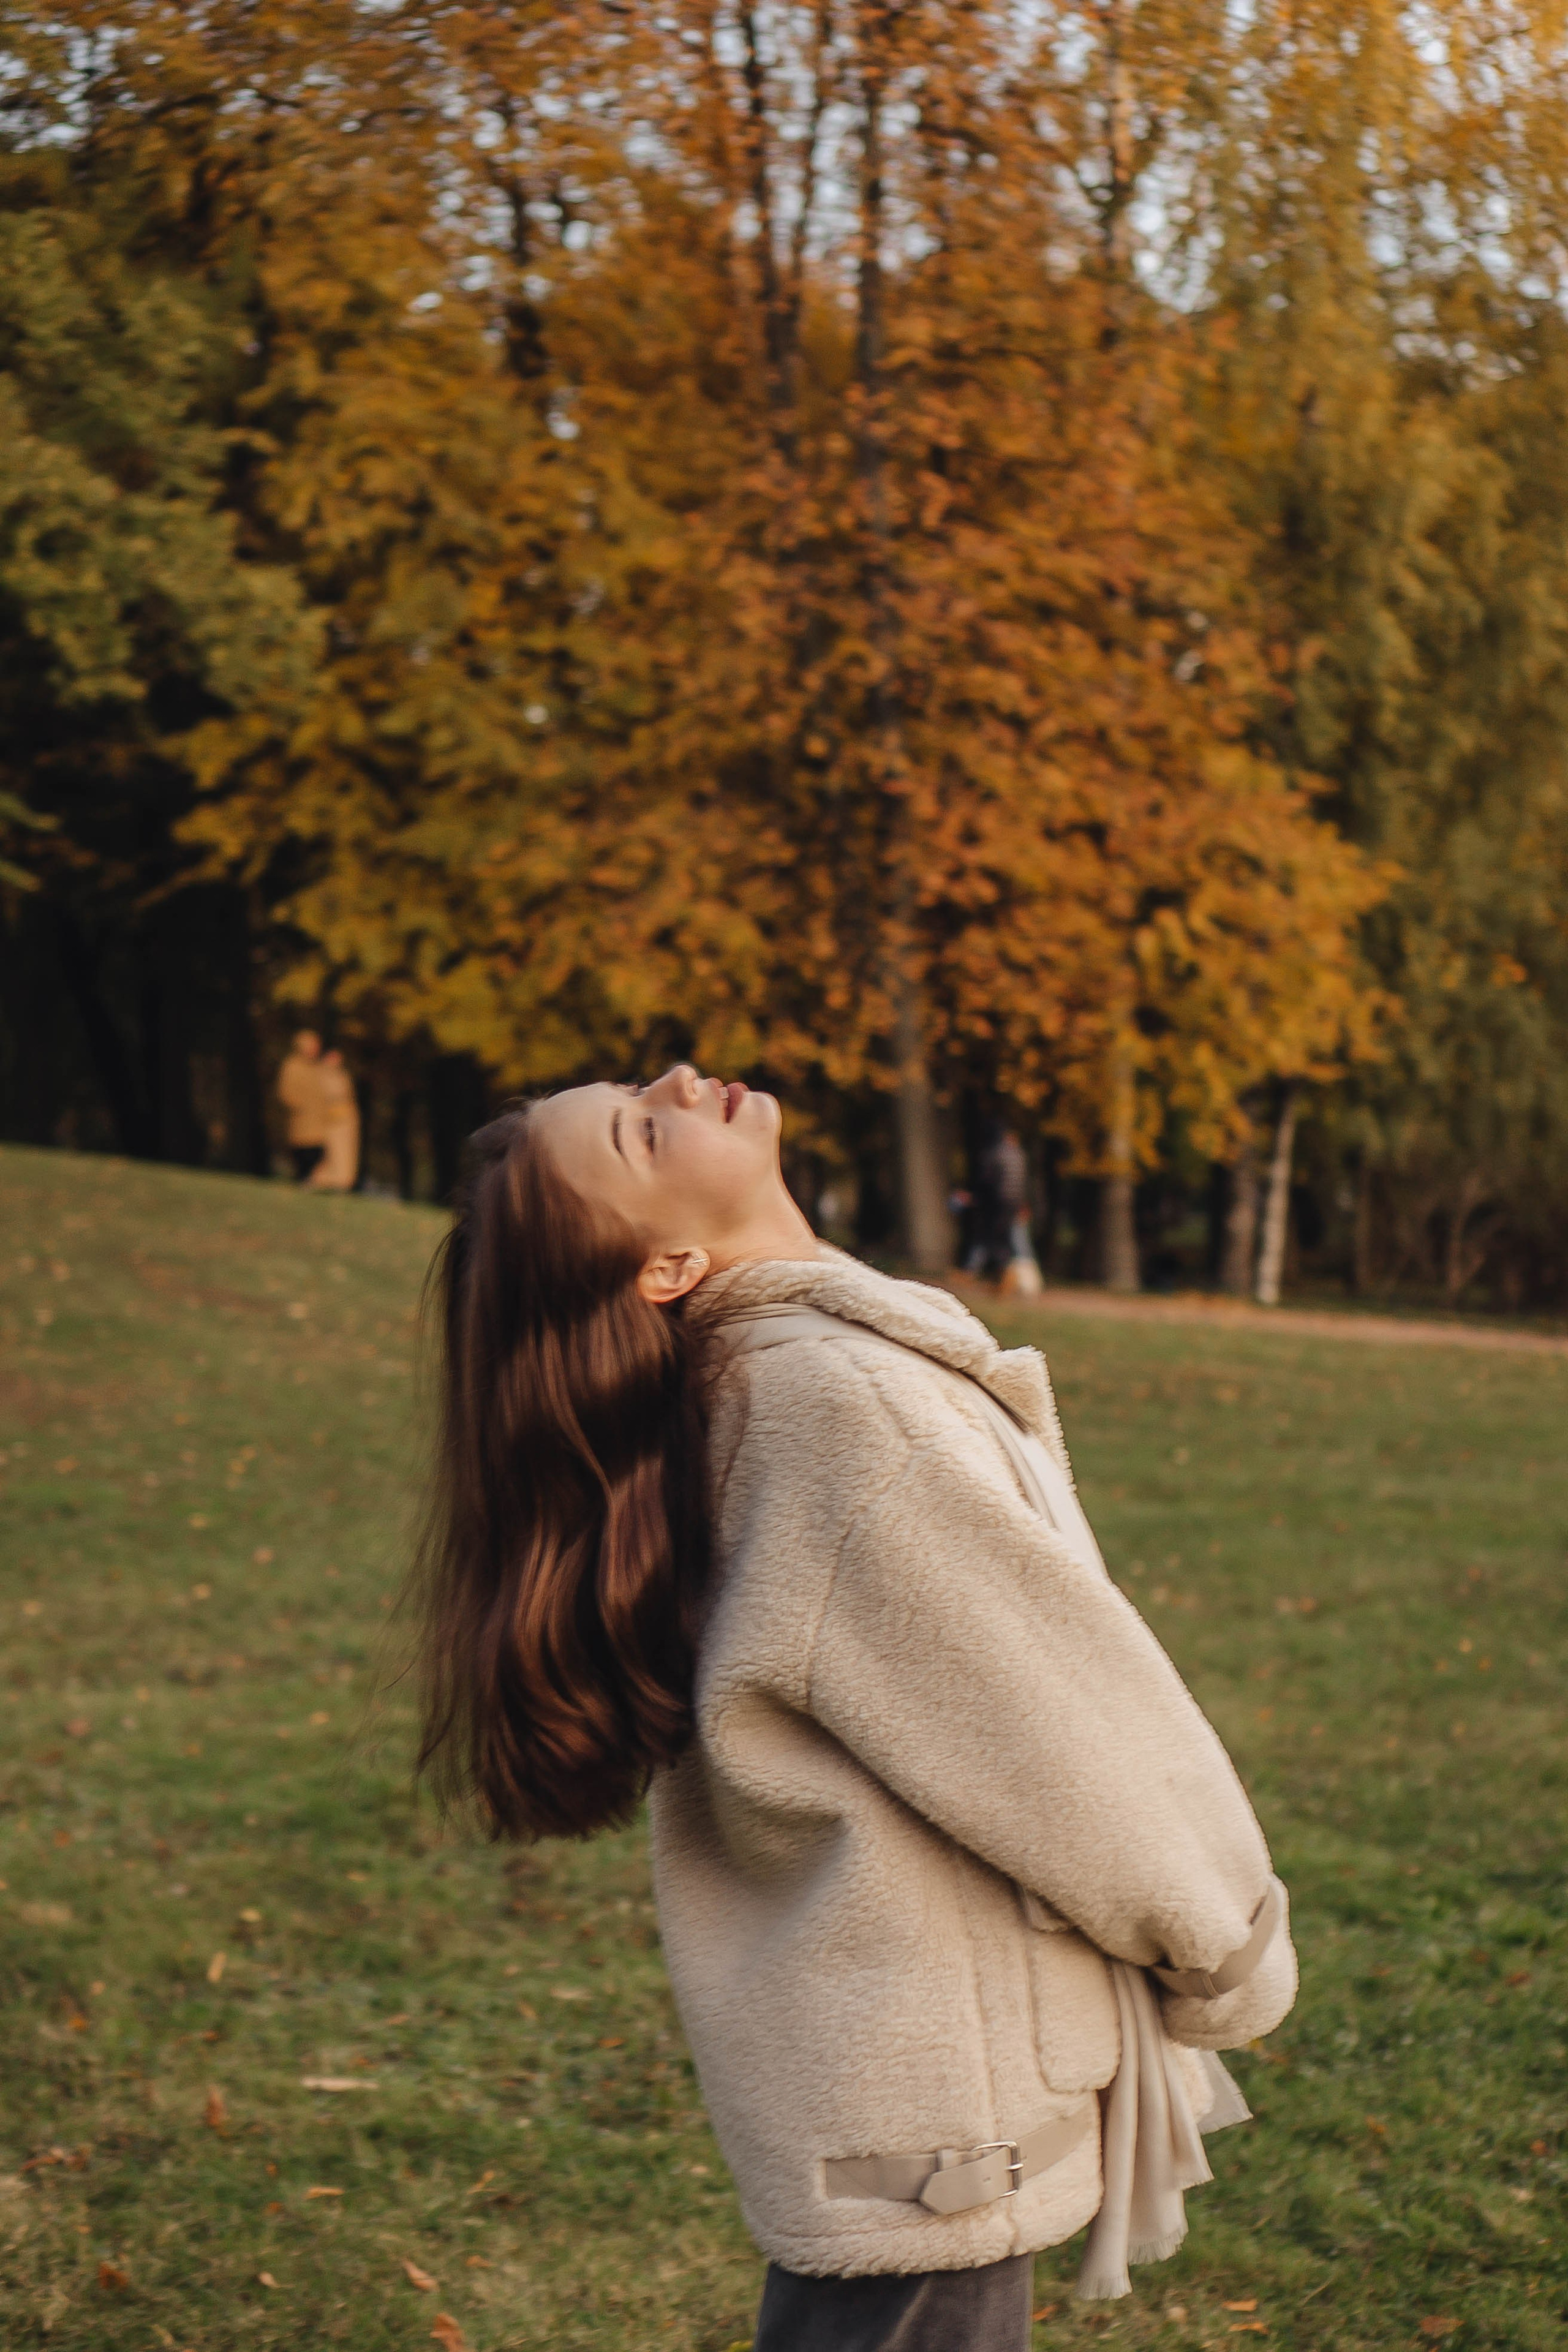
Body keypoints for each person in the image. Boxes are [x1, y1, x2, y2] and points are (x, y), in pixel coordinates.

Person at [412, 1065, 1297, 2351]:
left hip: (888, 2052)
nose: (673, 1079)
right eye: (639, 1126)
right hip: (931, 2071)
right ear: (664, 1268)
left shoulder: (791, 1379)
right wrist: (1222, 1943)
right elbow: (1051, 1720)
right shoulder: (833, 1402)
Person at [276, 1030, 328, 1183]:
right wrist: (297, 1106)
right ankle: (302, 1180)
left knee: (317, 1152)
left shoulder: (316, 1067)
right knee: (303, 1152)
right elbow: (285, 1092)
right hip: (301, 1119)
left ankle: (307, 1180)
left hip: (318, 1120)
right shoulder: (292, 1066)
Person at [306, 1049, 361, 1193]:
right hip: (331, 1120)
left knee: (343, 1154)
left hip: (344, 1121)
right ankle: (322, 1180)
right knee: (332, 1153)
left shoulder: (342, 1076)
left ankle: (341, 1182)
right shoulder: (319, 1075)